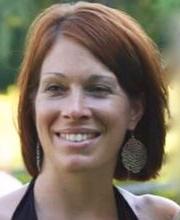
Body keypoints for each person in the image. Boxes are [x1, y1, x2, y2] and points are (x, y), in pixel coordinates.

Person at [0, 1, 179, 219]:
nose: (75, 110)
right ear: (32, 104)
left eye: (98, 89)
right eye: (56, 88)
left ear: (135, 110)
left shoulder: (161, 217)